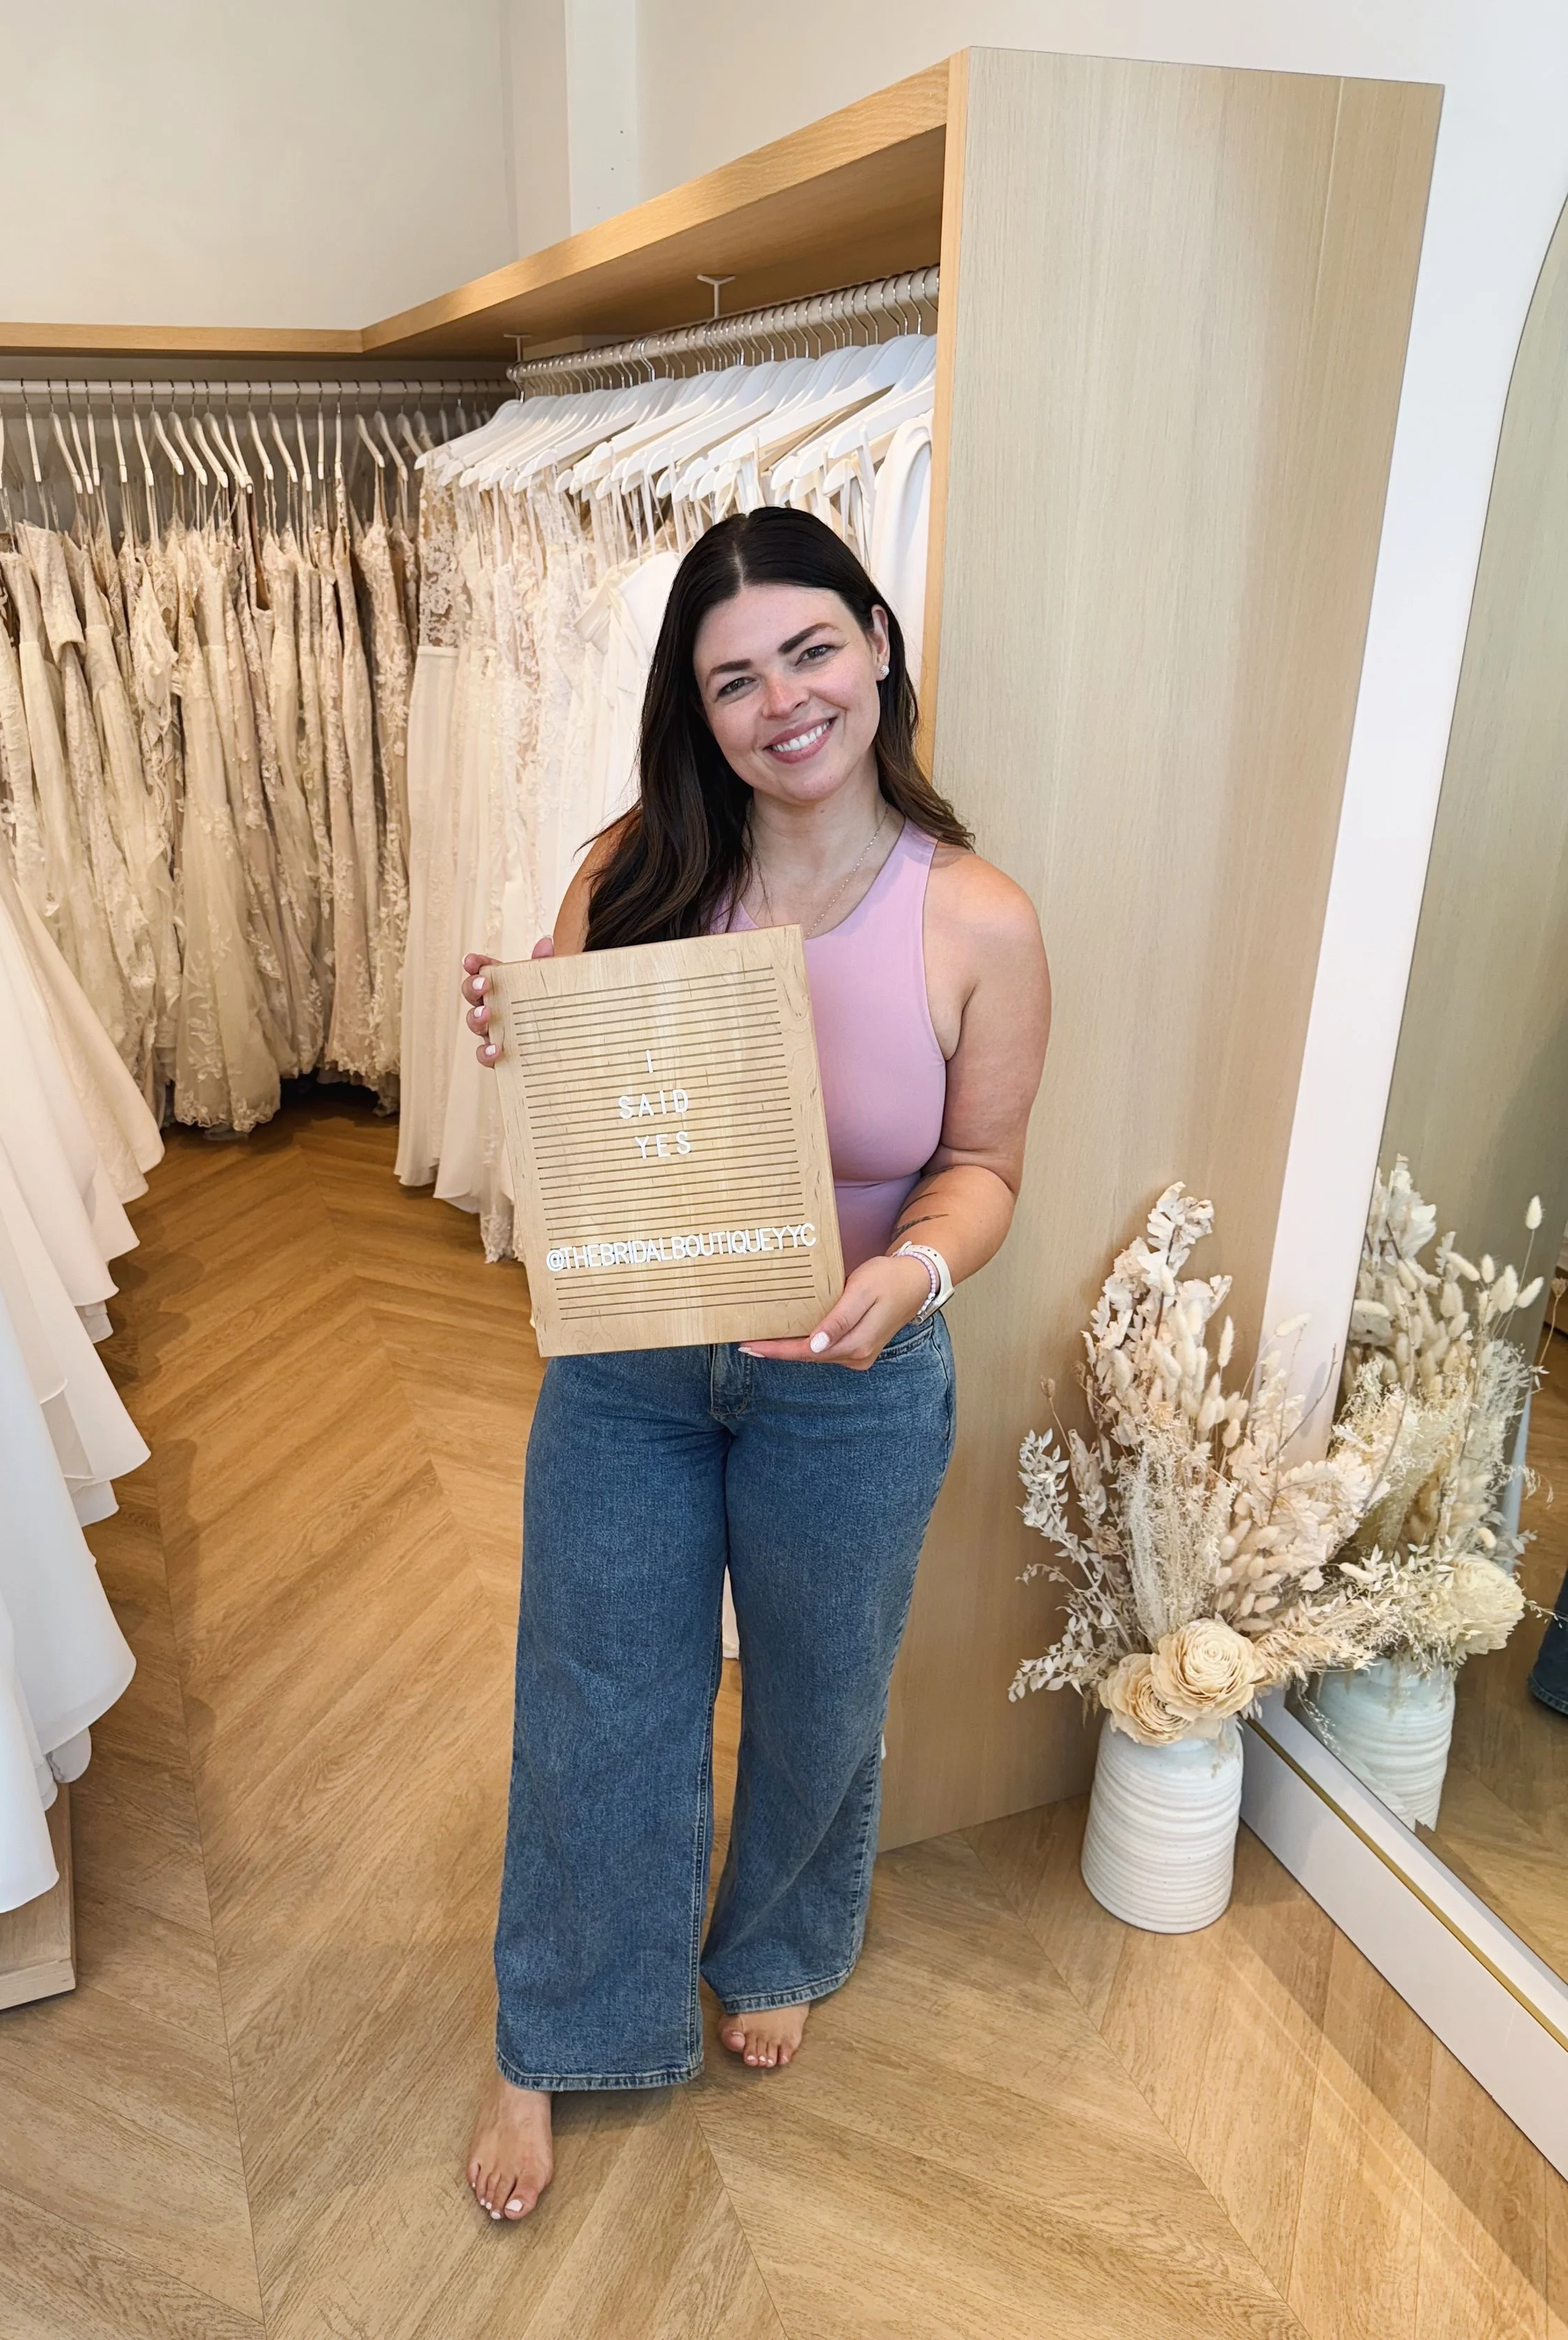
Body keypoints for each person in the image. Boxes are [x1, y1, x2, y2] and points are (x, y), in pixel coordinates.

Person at [459, 508, 1050, 2221]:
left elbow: (987, 1164)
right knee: (595, 1692)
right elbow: (575, 1087)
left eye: (807, 650)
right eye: (732, 679)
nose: (780, 700)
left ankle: (779, 1932)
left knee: (818, 1689)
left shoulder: (977, 919)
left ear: (875, 642)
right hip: (638, 1368)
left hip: (851, 1378)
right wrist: (525, 1021)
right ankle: (555, 2026)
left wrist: (912, 1273)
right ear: (696, 707)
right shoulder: (636, 867)